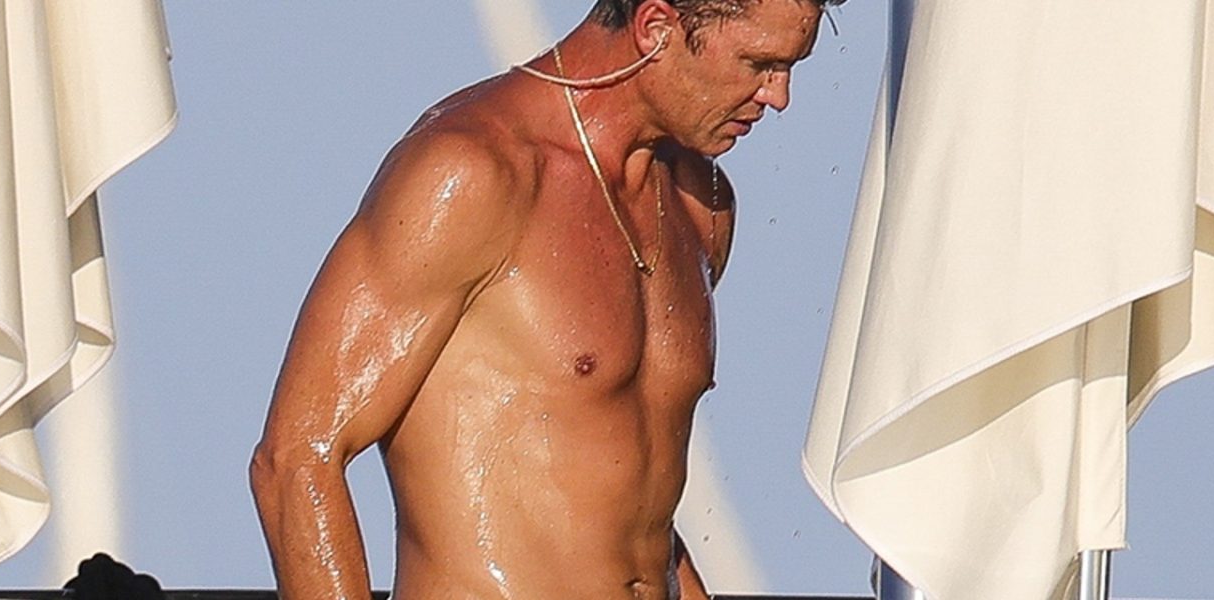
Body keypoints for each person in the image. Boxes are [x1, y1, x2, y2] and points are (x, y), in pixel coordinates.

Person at [249, 0, 835, 597]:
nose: (778, 96)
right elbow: (295, 460)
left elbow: (622, 500)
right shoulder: (471, 172)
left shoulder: (698, 205)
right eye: (759, 64)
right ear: (656, 28)